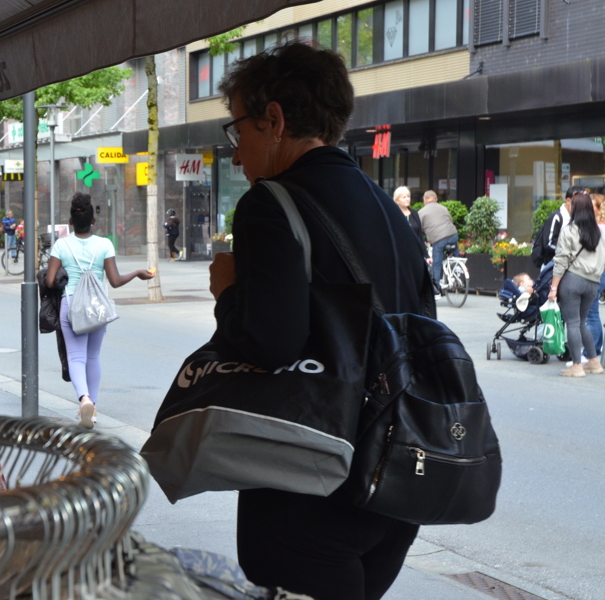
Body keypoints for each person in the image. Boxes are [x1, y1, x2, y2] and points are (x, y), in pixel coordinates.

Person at [210, 42, 431, 600]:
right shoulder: (389, 209)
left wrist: (229, 291)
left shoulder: (270, 204)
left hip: (313, 481)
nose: (236, 156)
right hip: (399, 478)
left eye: (238, 131)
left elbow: (269, 343)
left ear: (275, 120)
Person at [45, 192, 154, 428]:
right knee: (93, 357)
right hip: (97, 307)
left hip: (71, 305)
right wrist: (136, 273)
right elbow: (114, 281)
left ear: (71, 221)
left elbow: (51, 280)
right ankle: (92, 408)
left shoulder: (61, 245)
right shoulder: (104, 244)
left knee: (76, 356)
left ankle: (83, 398)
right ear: (93, 221)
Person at [548, 193, 605, 377]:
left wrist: (554, 287)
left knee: (572, 323)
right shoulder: (598, 232)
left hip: (573, 280)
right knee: (582, 323)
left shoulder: (569, 230)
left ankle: (577, 366)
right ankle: (594, 362)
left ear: (575, 208)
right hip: (592, 282)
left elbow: (561, 260)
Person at [418, 190, 458, 298]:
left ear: (425, 200)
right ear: (436, 199)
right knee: (455, 254)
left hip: (439, 239)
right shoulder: (443, 208)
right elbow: (450, 220)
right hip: (453, 235)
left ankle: (436, 288)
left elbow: (418, 229)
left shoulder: (421, 212)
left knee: (436, 263)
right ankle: (457, 269)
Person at [533, 185, 583, 270]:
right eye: (577, 202)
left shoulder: (579, 218)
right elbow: (549, 243)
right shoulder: (557, 217)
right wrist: (568, 251)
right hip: (552, 265)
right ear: (568, 200)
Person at [586, 193, 605, 356]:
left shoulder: (598, 228)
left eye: (591, 206)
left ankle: (591, 352)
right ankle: (596, 347)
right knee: (592, 313)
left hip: (598, 271)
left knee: (591, 314)